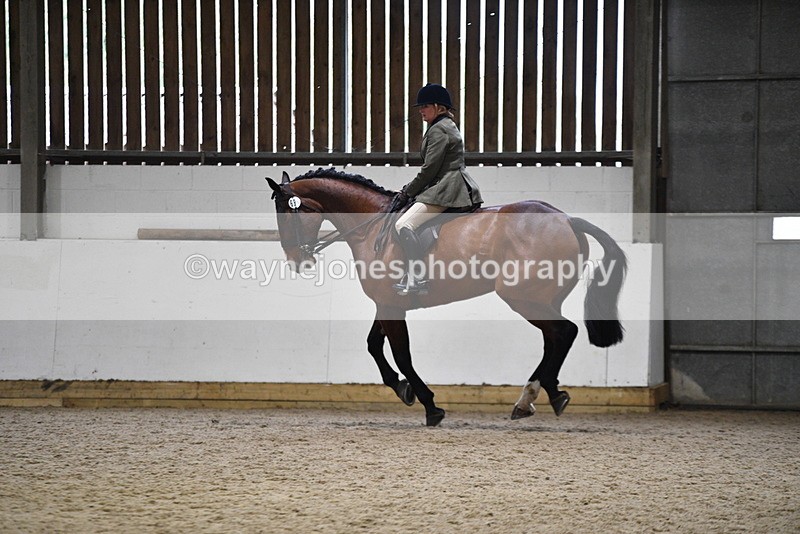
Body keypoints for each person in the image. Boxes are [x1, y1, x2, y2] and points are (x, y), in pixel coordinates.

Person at [393, 83, 483, 295]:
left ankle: (417, 277)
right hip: (452, 185)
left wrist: (407, 192)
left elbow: (429, 170)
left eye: (425, 106)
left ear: (438, 106)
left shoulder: (439, 130)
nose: (421, 111)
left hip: (446, 189)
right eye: (420, 106)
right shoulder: (447, 126)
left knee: (403, 224)